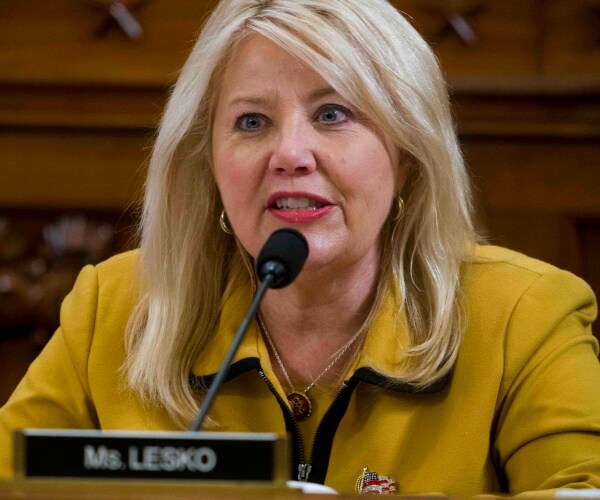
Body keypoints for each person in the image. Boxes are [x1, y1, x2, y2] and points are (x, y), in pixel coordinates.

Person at [1, 0, 599, 494]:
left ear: (408, 156)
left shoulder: (525, 314)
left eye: (333, 113)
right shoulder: (115, 305)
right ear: (207, 162)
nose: (290, 153)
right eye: (252, 122)